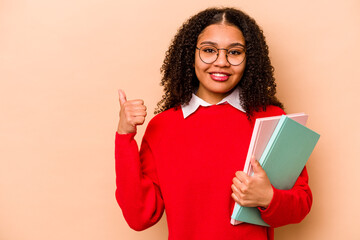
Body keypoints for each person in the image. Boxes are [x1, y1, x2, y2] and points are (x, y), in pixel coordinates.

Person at [115, 7, 312, 240]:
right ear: (191, 55)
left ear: (249, 59)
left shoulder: (271, 118)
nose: (221, 62)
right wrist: (124, 136)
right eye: (209, 50)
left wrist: (268, 197)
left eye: (235, 52)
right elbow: (139, 217)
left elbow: (301, 203)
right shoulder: (163, 127)